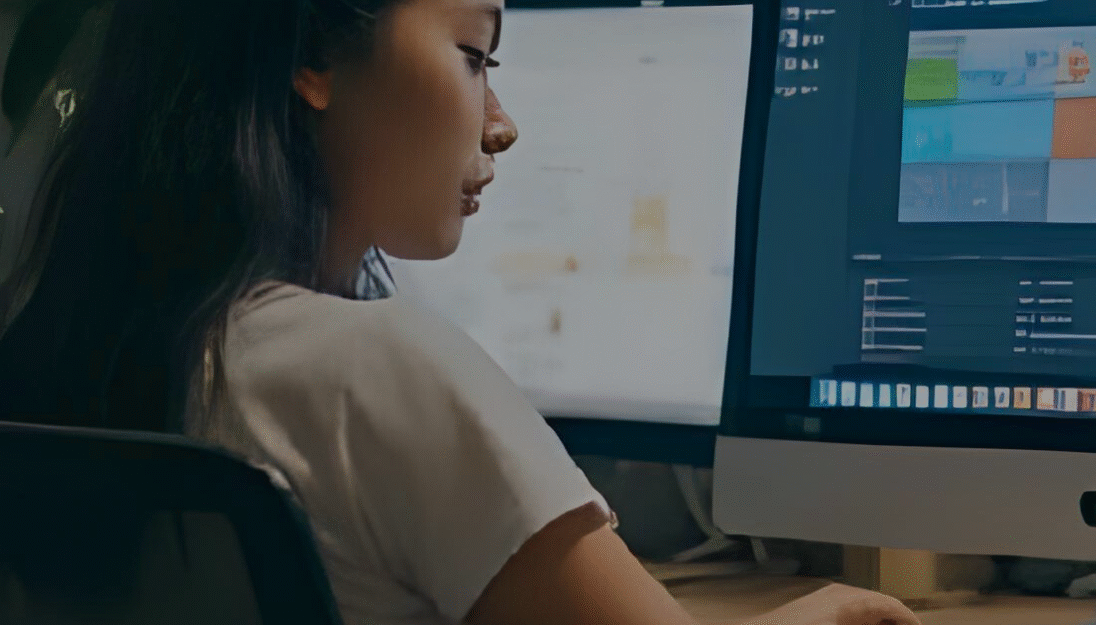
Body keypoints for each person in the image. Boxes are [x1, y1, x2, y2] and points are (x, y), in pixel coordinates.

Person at [0, 1, 924, 625]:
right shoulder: (377, 370)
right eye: (474, 56)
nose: (501, 122)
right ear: (310, 59)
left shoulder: (66, 349)